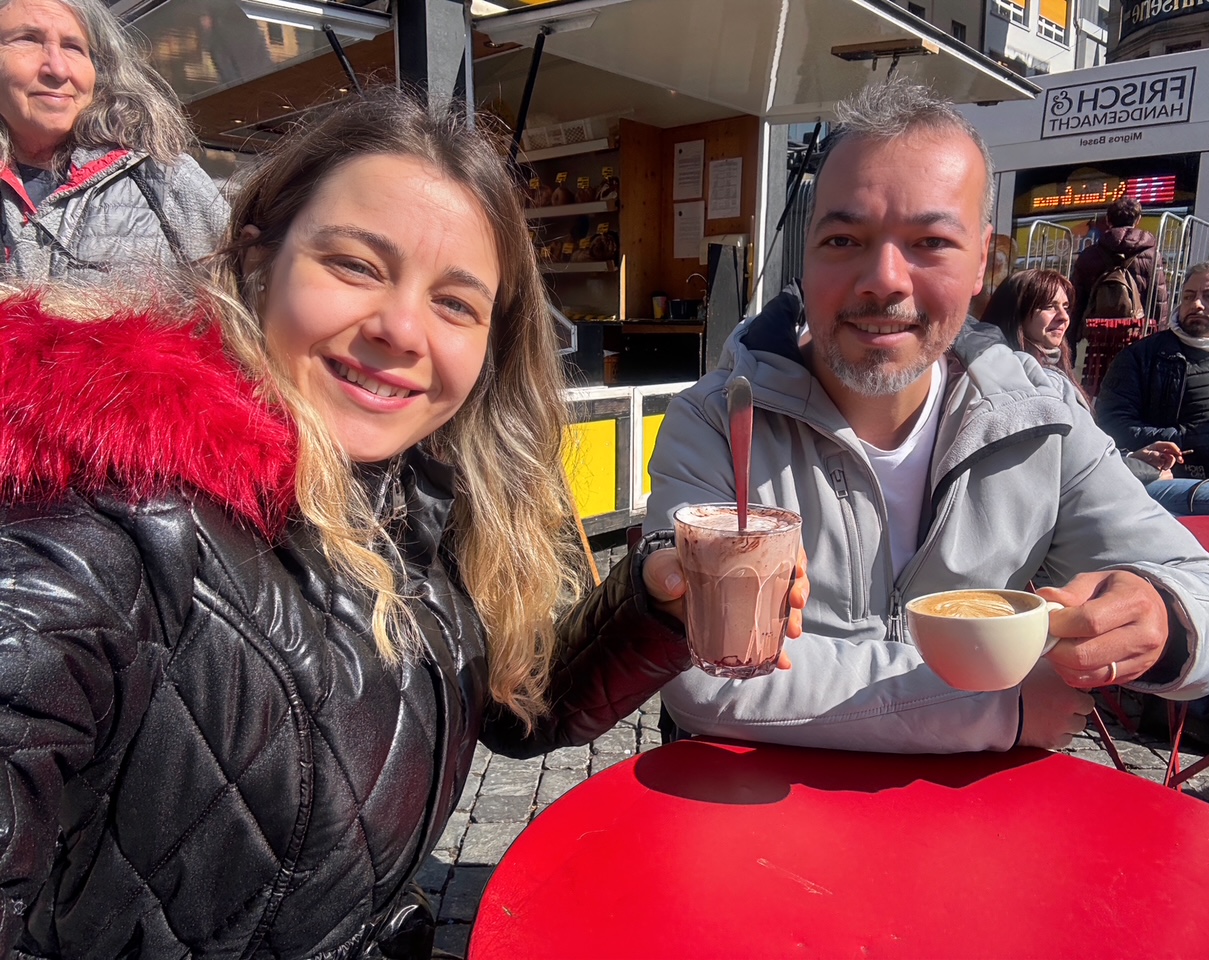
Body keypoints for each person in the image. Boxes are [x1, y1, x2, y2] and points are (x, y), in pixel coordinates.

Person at [0, 88, 809, 956]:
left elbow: (510, 711)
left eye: (456, 303)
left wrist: (657, 606)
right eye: (355, 265)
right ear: (258, 258)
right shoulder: (102, 521)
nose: (401, 329)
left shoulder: (415, 499)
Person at [644, 79, 1209, 755]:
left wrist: (1163, 617)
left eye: (930, 241)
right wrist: (993, 707)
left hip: (969, 813)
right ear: (806, 256)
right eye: (843, 239)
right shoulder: (716, 421)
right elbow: (702, 670)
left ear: (982, 262)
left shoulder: (1040, 421)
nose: (884, 278)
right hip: (747, 806)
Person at [0, 0, 227, 282]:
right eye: (28, 39)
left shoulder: (163, 177)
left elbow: (239, 287)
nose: (58, 69)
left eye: (73, 47)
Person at [1096, 260, 1209, 518]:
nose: (1197, 304)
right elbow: (1111, 424)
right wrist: (1182, 439)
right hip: (1188, 480)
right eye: (1189, 296)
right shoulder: (1144, 357)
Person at [1067, 195, 1168, 348]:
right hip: (1136, 333)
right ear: (1138, 220)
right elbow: (1159, 299)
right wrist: (1160, 340)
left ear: (1108, 221)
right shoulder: (1152, 255)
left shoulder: (1089, 255)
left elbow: (1076, 302)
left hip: (1097, 335)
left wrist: (1070, 345)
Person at [978, 268, 1079, 385]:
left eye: (1066, 308)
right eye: (1049, 307)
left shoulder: (1059, 372)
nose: (1064, 317)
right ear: (1016, 313)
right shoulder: (993, 375)